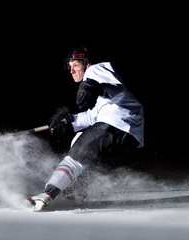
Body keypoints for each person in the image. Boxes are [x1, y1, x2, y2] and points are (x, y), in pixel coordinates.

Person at [29, 46, 144, 211]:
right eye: (69, 66)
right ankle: (77, 190)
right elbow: (91, 116)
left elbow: (99, 79)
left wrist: (89, 84)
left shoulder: (96, 69)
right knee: (82, 147)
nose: (71, 71)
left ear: (86, 64)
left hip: (115, 125)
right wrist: (67, 123)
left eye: (75, 65)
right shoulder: (103, 96)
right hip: (129, 138)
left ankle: (48, 193)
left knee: (74, 158)